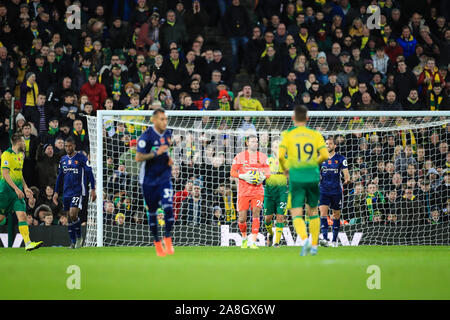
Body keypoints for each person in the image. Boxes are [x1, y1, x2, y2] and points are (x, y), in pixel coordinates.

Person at [279, 105, 329, 256]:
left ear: (293, 118)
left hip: (296, 176)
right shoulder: (315, 134)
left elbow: (281, 156)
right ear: (307, 118)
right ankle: (314, 246)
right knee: (313, 210)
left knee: (296, 212)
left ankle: (305, 239)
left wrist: (285, 169)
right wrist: (313, 163)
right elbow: (325, 155)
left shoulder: (287, 134)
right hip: (313, 175)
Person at [135, 108, 175, 257]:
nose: (165, 122)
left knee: (168, 207)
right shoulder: (146, 136)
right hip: (148, 180)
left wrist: (167, 159)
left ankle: (168, 238)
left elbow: (165, 152)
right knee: (152, 212)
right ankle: (157, 243)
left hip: (164, 178)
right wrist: (155, 154)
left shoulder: (168, 134)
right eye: (162, 119)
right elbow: (138, 158)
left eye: (166, 119)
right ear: (154, 120)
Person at [0, 133, 43, 251]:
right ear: (17, 142)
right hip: (5, 192)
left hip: (17, 192)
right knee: (1, 218)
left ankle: (28, 243)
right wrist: (16, 188)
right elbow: (5, 174)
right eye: (23, 141)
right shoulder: (6, 155)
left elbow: (19, 174)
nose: (24, 143)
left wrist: (25, 187)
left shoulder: (20, 155)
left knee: (22, 215)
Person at [53, 137, 96, 249]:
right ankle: (72, 242)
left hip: (78, 191)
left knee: (73, 214)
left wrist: (93, 189)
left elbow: (90, 173)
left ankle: (79, 238)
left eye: (69, 146)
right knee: (68, 217)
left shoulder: (81, 158)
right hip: (66, 192)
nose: (67, 148)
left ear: (74, 146)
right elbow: (60, 177)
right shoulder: (63, 159)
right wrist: (56, 192)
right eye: (66, 146)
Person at [230, 135, 270, 249]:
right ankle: (243, 238)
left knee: (256, 214)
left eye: (256, 142)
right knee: (242, 218)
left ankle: (252, 241)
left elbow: (268, 173)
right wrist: (243, 176)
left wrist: (263, 178)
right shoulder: (240, 156)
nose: (255, 143)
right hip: (243, 192)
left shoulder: (262, 156)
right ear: (247, 143)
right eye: (253, 141)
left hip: (257, 191)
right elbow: (232, 172)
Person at [319, 136, 350, 248]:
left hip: (336, 190)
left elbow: (347, 174)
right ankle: (325, 239)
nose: (328, 145)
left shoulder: (341, 158)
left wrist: (347, 179)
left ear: (335, 146)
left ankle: (334, 240)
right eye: (326, 144)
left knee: (336, 215)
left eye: (330, 144)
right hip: (323, 190)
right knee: (323, 214)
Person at [263, 137, 288, 248]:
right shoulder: (267, 160)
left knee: (280, 217)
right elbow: (262, 175)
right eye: (275, 147)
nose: (278, 149)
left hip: (282, 192)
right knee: (267, 218)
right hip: (269, 192)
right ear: (272, 148)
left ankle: (277, 243)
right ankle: (271, 234)